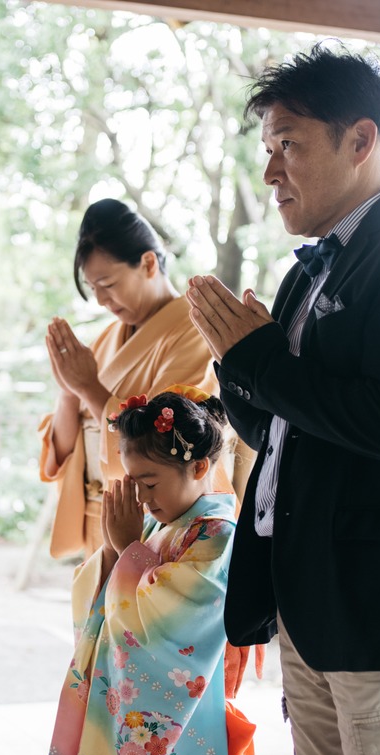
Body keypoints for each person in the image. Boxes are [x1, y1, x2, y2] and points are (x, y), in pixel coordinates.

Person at [185, 40, 380, 755]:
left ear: (361, 141)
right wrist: (235, 365)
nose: (270, 170)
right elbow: (276, 426)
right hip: (309, 602)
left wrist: (257, 357)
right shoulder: (303, 276)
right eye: (267, 146)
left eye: (288, 143)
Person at [48, 387, 256, 755]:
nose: (141, 498)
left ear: (199, 467)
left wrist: (129, 548)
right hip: (115, 689)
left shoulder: (217, 534)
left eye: (150, 483)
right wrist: (116, 548)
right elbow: (103, 599)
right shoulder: (156, 525)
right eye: (133, 483)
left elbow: (175, 624)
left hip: (179, 711)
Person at [40, 198, 244, 560]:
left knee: (148, 612)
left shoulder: (195, 331)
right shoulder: (105, 339)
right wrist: (69, 392)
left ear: (148, 263)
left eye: (107, 283)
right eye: (93, 288)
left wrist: (88, 386)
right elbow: (65, 450)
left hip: (158, 524)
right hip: (100, 517)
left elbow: (173, 440)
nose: (102, 299)